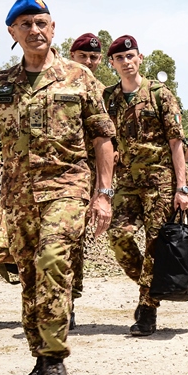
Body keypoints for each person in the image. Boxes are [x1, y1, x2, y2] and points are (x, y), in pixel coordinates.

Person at [0, 0, 116, 375]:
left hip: (67, 189)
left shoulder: (80, 78)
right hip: (17, 199)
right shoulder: (2, 84)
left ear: (53, 28)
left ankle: (55, 359)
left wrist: (103, 193)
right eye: (26, 25)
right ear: (13, 32)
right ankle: (40, 358)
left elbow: (103, 139)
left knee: (52, 260)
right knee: (28, 275)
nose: (35, 30)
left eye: (42, 23)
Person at [103, 35, 188, 337]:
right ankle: (152, 285)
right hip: (126, 181)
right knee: (118, 237)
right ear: (112, 63)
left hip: (160, 182)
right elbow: (105, 142)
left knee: (155, 244)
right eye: (119, 58)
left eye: (131, 57)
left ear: (140, 58)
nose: (126, 63)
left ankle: (147, 309)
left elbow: (176, 141)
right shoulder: (109, 98)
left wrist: (183, 187)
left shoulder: (159, 94)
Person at [66, 32, 107, 327]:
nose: (89, 61)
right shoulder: (59, 84)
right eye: (83, 56)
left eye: (94, 57)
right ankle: (62, 302)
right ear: (72, 55)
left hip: (93, 178)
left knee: (75, 243)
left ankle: (69, 297)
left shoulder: (104, 93)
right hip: (67, 177)